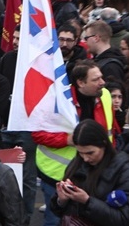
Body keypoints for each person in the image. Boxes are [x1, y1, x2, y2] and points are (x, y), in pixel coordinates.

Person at [34, 60, 115, 226]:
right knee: (55, 219)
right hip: (57, 175)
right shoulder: (56, 101)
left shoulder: (105, 95)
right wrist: (67, 139)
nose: (102, 82)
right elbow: (38, 134)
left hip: (96, 172)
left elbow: (112, 130)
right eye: (96, 79)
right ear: (80, 82)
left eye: (101, 77)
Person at [50, 119, 129, 226]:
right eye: (80, 153)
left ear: (104, 144)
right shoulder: (77, 163)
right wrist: (61, 200)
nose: (85, 158)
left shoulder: (123, 169)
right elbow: (59, 212)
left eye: (90, 153)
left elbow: (123, 218)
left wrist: (87, 201)